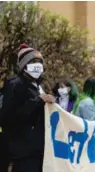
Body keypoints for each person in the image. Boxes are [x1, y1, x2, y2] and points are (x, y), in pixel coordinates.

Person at [0, 44, 55, 172]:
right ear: (24, 65)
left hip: (38, 152)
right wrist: (38, 102)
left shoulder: (38, 87)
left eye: (39, 62)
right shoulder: (15, 85)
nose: (37, 65)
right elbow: (7, 117)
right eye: (33, 62)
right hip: (23, 154)